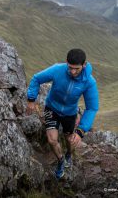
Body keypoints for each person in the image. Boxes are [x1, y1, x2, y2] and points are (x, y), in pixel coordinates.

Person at [26, 48, 99, 179]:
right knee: (52, 139)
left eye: (76, 68)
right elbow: (37, 79)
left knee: (70, 140)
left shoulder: (89, 82)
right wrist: (31, 99)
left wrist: (81, 130)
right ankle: (61, 161)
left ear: (84, 65)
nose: (72, 72)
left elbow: (92, 108)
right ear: (66, 62)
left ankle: (69, 154)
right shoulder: (58, 69)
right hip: (52, 108)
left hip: (70, 113)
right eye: (70, 67)